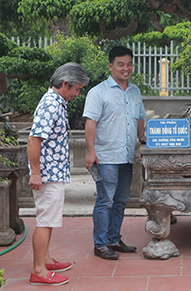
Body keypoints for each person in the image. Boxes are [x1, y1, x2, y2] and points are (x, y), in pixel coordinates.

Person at [27, 62, 89, 286]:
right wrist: (36, 173)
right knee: (45, 220)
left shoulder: (56, 103)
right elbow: (34, 139)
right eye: (76, 89)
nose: (77, 94)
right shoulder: (51, 105)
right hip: (47, 173)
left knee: (49, 219)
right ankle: (39, 271)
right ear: (64, 84)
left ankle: (44, 260)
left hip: (53, 172)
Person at [83, 46, 147, 260]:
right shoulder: (98, 92)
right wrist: (90, 153)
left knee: (121, 200)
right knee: (106, 200)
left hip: (127, 156)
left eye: (129, 64)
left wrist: (143, 140)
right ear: (111, 66)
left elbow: (140, 119)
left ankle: (113, 239)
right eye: (120, 64)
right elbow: (90, 123)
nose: (125, 68)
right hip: (106, 156)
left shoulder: (135, 91)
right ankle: (100, 244)